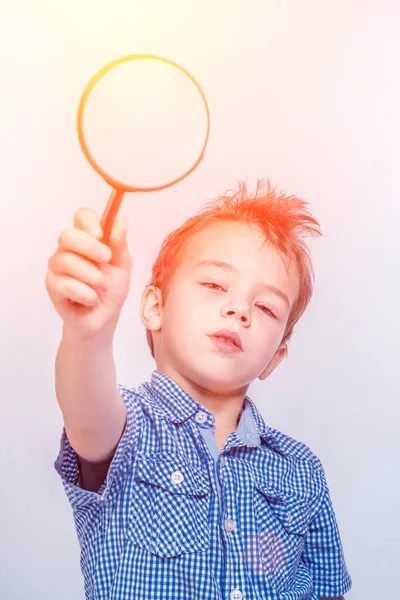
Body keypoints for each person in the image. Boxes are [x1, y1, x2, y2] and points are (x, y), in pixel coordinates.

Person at [46, 179, 352, 600]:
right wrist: (87, 332)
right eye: (213, 285)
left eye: (265, 307)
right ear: (156, 307)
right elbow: (85, 408)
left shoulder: (301, 472)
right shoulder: (129, 430)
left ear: (276, 357)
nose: (239, 309)